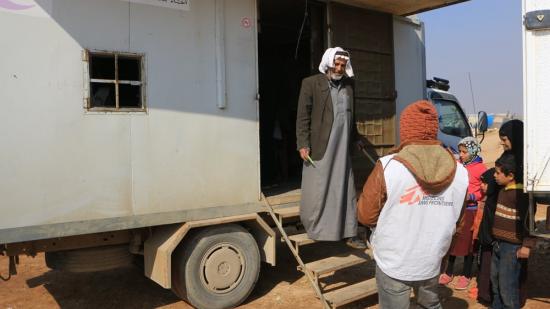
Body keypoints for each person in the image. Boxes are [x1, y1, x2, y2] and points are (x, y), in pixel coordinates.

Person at [357, 100, 469, 309]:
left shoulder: (388, 166)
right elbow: (460, 224)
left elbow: (365, 216)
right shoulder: (460, 172)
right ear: (435, 129)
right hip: (432, 259)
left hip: (393, 260)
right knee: (430, 303)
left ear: (405, 129)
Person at [295, 47, 364, 248]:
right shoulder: (310, 84)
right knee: (319, 188)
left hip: (342, 147)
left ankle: (349, 231)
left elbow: (352, 115)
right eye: (337, 64)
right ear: (328, 63)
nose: (340, 68)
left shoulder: (349, 85)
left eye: (343, 65)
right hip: (320, 145)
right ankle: (316, 228)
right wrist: (302, 144)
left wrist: (356, 137)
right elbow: (302, 117)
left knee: (343, 186)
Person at [440, 137, 487, 290]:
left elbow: (483, 191)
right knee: (453, 240)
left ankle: (466, 274)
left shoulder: (481, 168)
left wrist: (471, 197)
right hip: (455, 209)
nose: (461, 155)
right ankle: (449, 271)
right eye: (460, 151)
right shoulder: (459, 166)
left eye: (464, 152)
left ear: (473, 151)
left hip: (470, 210)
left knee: (469, 244)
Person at [490, 154, 535, 309]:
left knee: (507, 287)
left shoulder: (521, 195)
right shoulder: (503, 190)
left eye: (497, 173)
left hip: (512, 248)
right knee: (496, 284)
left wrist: (527, 245)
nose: (494, 176)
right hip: (498, 244)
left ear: (510, 176)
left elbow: (529, 221)